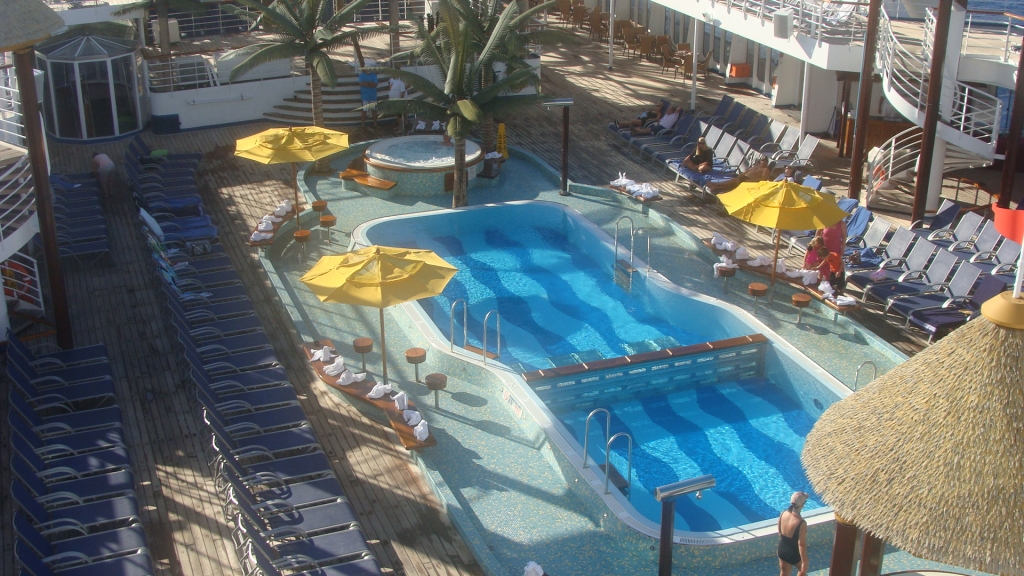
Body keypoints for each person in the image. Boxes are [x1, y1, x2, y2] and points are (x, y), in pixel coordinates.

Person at [778, 491, 809, 576]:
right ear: (803, 505)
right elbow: (801, 544)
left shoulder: (783, 513)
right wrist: (804, 561)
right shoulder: (801, 523)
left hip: (782, 549)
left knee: (784, 573)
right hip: (794, 552)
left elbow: (780, 532)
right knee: (802, 572)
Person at [707, 158, 772, 192]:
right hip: (743, 178)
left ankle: (715, 185)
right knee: (733, 182)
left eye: (765, 161)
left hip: (749, 182)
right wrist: (741, 175)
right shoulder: (756, 166)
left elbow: (763, 179)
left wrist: (751, 181)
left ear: (767, 163)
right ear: (760, 161)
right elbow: (747, 171)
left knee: (735, 181)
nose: (763, 162)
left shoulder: (765, 170)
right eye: (762, 160)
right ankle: (715, 187)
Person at [358, 59, 379, 127]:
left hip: (373, 95)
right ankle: (363, 124)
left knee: (374, 110)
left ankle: (375, 124)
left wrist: (367, 84)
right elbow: (361, 83)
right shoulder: (361, 75)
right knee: (364, 110)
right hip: (365, 96)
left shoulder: (374, 75)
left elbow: (375, 84)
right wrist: (370, 84)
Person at [388, 65, 407, 134]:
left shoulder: (400, 82)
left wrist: (400, 101)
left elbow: (403, 91)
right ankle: (399, 127)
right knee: (397, 115)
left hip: (398, 101)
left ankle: (401, 129)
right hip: (393, 100)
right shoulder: (391, 80)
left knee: (400, 115)